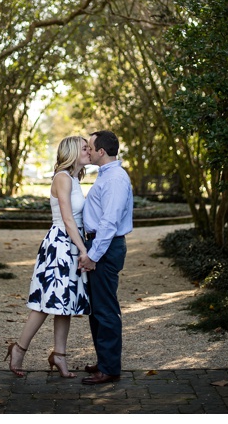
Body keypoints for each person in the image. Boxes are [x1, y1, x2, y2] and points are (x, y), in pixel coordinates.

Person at [5, 136, 93, 378]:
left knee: (64, 306)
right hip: (59, 246)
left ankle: (59, 356)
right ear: (73, 152)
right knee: (46, 303)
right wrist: (84, 250)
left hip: (71, 244)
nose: (89, 151)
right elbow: (67, 219)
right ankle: (19, 350)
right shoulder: (62, 178)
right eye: (85, 148)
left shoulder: (75, 178)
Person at [78, 130, 133, 385]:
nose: (86, 151)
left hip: (105, 248)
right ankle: (104, 362)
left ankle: (110, 369)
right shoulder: (107, 176)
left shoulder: (115, 180)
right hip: (101, 246)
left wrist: (93, 255)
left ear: (101, 151)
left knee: (106, 309)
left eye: (89, 147)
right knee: (97, 309)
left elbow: (109, 223)